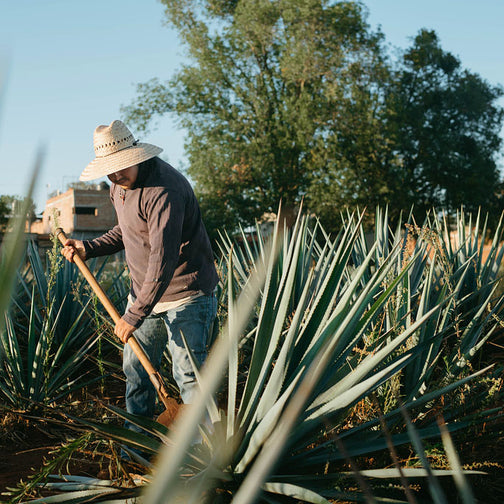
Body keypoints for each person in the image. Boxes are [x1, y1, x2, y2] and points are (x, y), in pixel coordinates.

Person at [61, 120, 219, 431]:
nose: (116, 176)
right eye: (110, 171)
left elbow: (163, 257)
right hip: (146, 296)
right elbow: (128, 230)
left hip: (186, 295)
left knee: (188, 376)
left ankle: (203, 454)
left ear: (136, 156)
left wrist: (134, 314)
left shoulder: (165, 190)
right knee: (135, 369)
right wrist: (88, 247)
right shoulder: (118, 186)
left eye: (121, 168)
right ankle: (141, 440)